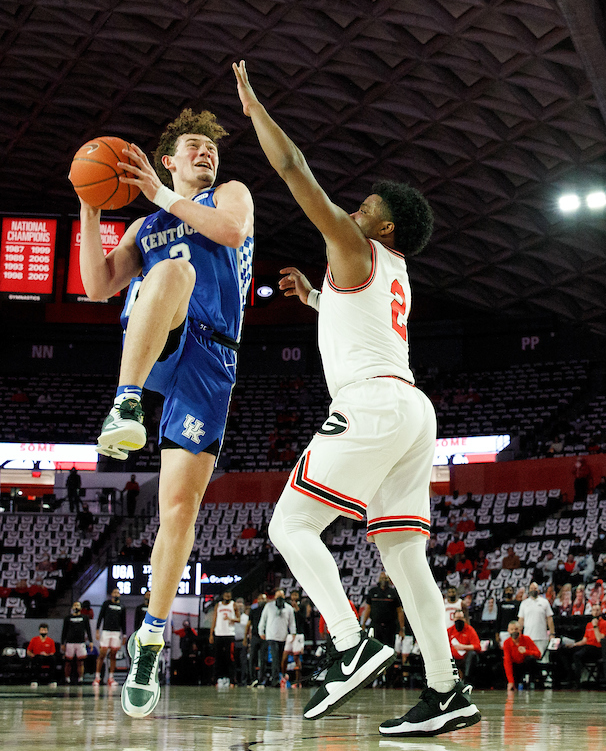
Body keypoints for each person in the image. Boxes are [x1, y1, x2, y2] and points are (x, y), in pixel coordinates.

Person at [235, 61, 476, 737]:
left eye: (369, 207)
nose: (356, 208)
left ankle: (350, 643)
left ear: (386, 228)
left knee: (290, 526)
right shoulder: (390, 270)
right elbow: (361, 324)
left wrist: (256, 110)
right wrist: (316, 299)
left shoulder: (354, 243)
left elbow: (296, 173)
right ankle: (444, 688)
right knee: (403, 559)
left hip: (372, 403)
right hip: (410, 409)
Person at [78, 107, 255, 718]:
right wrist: (91, 207)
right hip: (161, 334)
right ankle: (125, 401)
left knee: (178, 510)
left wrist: (155, 192)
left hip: (212, 359)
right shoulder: (146, 226)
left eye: (210, 147)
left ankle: (150, 636)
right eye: (192, 147)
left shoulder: (231, 195)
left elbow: (230, 233)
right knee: (173, 269)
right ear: (168, 161)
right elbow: (98, 286)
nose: (204, 153)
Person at [258, 588, 296, 687]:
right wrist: (261, 631)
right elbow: (263, 619)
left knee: (280, 658)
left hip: (283, 636)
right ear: (275, 597)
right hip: (271, 636)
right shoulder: (269, 606)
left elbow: (292, 623)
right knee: (275, 658)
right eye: (278, 596)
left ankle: (280, 677)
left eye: (281, 596)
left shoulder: (288, 608)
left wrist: (293, 633)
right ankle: (275, 680)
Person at [361, 572, 404, 656]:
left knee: (389, 651)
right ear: (379, 579)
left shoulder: (394, 593)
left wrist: (402, 629)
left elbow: (400, 612)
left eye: (385, 578)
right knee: (375, 650)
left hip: (390, 627)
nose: (383, 580)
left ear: (389, 580)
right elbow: (367, 609)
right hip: (376, 626)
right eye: (382, 578)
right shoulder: (373, 591)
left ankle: (389, 669)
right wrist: (363, 624)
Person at [572, 603, 606, 685]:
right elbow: (584, 640)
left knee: (578, 655)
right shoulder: (588, 625)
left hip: (597, 649)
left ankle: (577, 681)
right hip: (587, 646)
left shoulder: (605, 624)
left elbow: (600, 639)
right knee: (567, 651)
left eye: (597, 610)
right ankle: (570, 678)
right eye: (593, 610)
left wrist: (595, 626)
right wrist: (573, 644)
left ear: (601, 611)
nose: (595, 612)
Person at [95, 589, 125, 686]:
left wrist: (124, 635)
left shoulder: (122, 606)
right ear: (111, 594)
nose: (116, 594)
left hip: (116, 633)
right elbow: (100, 617)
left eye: (118, 593)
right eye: (114, 592)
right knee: (102, 654)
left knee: (113, 655)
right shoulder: (106, 604)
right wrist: (97, 630)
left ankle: (111, 678)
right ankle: (97, 677)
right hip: (106, 631)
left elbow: (123, 622)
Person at [502, 620, 542, 691]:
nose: (514, 631)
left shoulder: (527, 639)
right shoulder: (506, 643)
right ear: (508, 631)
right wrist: (511, 681)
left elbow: (538, 654)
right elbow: (507, 662)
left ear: (520, 630)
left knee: (530, 659)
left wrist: (526, 652)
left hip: (526, 665)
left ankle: (534, 683)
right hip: (515, 667)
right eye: (512, 629)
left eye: (516, 629)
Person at [517, 581, 555, 656]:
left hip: (542, 637)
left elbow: (550, 619)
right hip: (527, 638)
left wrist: (552, 633)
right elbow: (521, 620)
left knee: (542, 659)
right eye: (531, 588)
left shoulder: (544, 602)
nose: (533, 590)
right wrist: (519, 634)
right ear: (529, 590)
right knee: (529, 660)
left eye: (535, 588)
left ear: (538, 590)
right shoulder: (524, 603)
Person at [209, 590, 237, 687]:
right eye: (225, 594)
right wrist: (211, 634)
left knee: (230, 658)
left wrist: (231, 619)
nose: (227, 596)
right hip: (219, 634)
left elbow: (239, 619)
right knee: (218, 658)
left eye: (229, 594)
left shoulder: (234, 605)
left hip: (229, 634)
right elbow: (214, 619)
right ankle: (215, 679)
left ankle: (232, 680)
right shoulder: (218, 605)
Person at [447, 608, 482, 685]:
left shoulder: (469, 630)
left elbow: (478, 647)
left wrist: (463, 647)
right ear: (453, 619)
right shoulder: (449, 631)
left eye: (461, 618)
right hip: (453, 659)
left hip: (465, 659)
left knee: (472, 654)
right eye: (457, 618)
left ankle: (467, 679)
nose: (459, 620)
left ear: (464, 619)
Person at [62, 601, 93, 685]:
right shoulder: (68, 618)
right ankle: (67, 679)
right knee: (68, 662)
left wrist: (91, 641)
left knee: (80, 662)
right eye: (74, 605)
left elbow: (88, 630)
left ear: (80, 607)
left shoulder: (84, 618)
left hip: (80, 642)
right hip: (70, 642)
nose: (76, 607)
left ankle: (80, 679)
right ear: (72, 607)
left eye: (78, 605)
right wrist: (62, 643)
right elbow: (64, 631)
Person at [247, 592, 269, 687]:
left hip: (265, 636)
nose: (261, 601)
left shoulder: (269, 611)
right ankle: (253, 679)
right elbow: (249, 624)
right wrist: (246, 636)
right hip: (255, 636)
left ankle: (261, 679)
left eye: (263, 599)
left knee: (263, 659)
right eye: (260, 599)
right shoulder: (254, 610)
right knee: (252, 658)